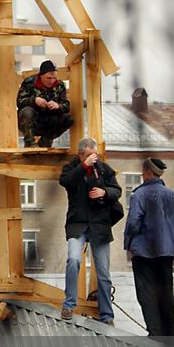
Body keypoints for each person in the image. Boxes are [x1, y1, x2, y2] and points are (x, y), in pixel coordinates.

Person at [124, 157, 174, 340]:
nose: (142, 175)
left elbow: (133, 223)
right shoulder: (173, 196)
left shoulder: (139, 195)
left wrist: (129, 244)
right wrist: (173, 241)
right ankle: (171, 337)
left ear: (148, 173)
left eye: (143, 172)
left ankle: (155, 334)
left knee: (146, 294)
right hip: (166, 254)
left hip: (144, 253)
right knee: (166, 293)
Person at [59, 137, 122, 324]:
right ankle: (69, 305)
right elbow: (66, 182)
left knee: (103, 272)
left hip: (99, 225)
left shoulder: (104, 169)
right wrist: (83, 167)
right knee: (73, 260)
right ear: (80, 155)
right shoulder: (71, 168)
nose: (93, 158)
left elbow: (117, 190)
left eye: (95, 154)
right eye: (89, 155)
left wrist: (105, 193)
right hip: (78, 224)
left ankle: (107, 315)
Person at [17, 60, 74, 147]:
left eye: (54, 78)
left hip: (48, 122)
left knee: (68, 118)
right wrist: (34, 100)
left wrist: (58, 106)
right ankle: (30, 143)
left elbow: (66, 105)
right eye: (49, 78)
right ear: (41, 75)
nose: (52, 81)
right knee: (26, 111)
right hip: (32, 121)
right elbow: (19, 102)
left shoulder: (60, 85)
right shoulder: (30, 82)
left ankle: (45, 142)